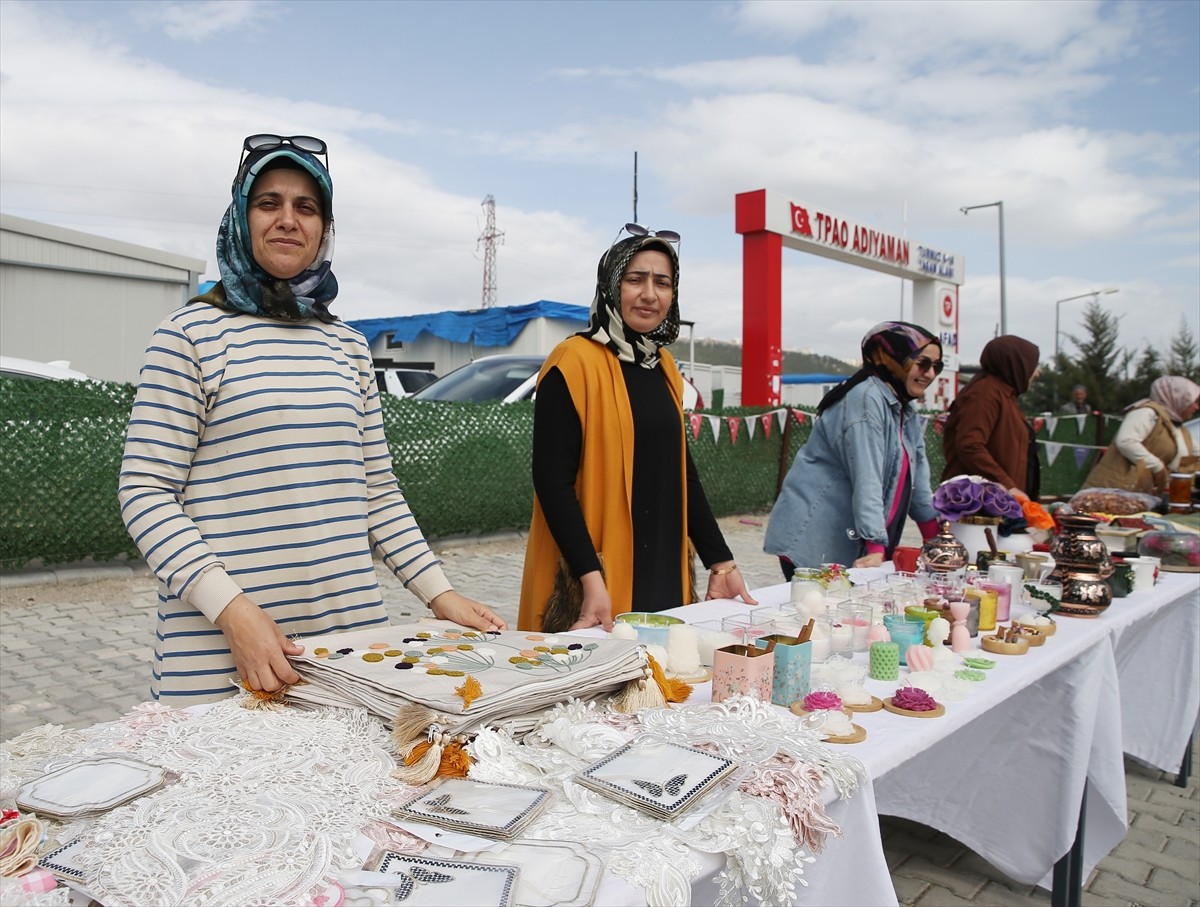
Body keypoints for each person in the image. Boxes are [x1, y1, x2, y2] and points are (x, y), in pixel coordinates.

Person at [119, 134, 506, 706]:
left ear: (324, 228)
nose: (287, 220)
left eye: (306, 207)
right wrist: (234, 612)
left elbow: (376, 489)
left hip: (349, 648)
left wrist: (439, 594)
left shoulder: (347, 346)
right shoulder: (189, 335)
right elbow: (145, 492)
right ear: (240, 217)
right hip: (219, 651)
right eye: (268, 202)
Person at [518, 225, 756, 632]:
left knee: (663, 682)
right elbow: (552, 482)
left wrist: (720, 560)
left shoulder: (663, 368)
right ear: (611, 285)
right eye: (635, 279)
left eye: (662, 283)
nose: (650, 294)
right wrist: (590, 579)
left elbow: (682, 471)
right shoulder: (571, 362)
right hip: (593, 575)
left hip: (662, 564)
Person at [764, 322, 943, 575]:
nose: (930, 374)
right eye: (923, 363)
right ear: (889, 357)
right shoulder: (865, 399)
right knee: (817, 613)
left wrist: (936, 541)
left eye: (937, 366)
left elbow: (919, 484)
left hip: (854, 544)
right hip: (816, 538)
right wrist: (875, 546)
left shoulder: (905, 410)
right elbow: (867, 476)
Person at [940, 335, 1041, 502]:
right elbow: (970, 444)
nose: (1036, 373)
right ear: (1016, 364)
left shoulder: (1004, 395)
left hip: (996, 502)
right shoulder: (984, 394)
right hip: (976, 505)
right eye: (1033, 365)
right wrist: (1007, 485)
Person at [1082, 376, 1200, 494]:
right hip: (1114, 491)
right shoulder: (1147, 413)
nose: (1196, 407)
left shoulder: (1179, 429)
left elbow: (1194, 457)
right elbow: (1126, 441)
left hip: (1144, 495)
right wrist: (1156, 467)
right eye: (1193, 402)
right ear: (1178, 398)